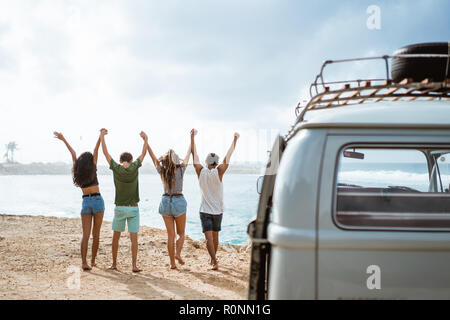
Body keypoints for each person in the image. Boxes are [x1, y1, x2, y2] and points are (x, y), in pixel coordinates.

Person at [53, 131, 105, 271]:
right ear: (91, 161)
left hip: (85, 201)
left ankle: (84, 262)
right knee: (96, 234)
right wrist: (100, 136)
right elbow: (96, 150)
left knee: (86, 234)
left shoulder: (77, 170)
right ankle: (93, 261)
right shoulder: (93, 167)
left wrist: (63, 139)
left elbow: (73, 153)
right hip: (97, 200)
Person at [99, 128, 148, 272]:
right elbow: (143, 153)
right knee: (134, 239)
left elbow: (105, 153)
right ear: (131, 160)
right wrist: (145, 139)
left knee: (116, 237)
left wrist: (102, 137)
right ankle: (134, 265)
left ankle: (114, 264)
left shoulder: (116, 168)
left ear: (120, 161)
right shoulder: (134, 167)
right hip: (133, 208)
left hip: (120, 208)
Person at [190, 129, 239, 270]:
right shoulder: (219, 172)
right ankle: (213, 260)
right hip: (218, 210)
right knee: (215, 237)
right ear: (216, 163)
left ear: (206, 162)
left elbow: (194, 154)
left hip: (204, 210)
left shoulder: (200, 171)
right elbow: (227, 157)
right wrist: (235, 139)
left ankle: (214, 260)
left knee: (209, 238)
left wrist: (192, 138)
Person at [146, 134, 192, 270]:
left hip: (165, 201)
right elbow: (189, 153)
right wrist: (192, 139)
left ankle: (172, 264)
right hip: (178, 200)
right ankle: (178, 254)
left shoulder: (162, 171)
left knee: (170, 235)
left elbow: (153, 157)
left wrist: (146, 142)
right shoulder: (181, 170)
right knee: (181, 233)